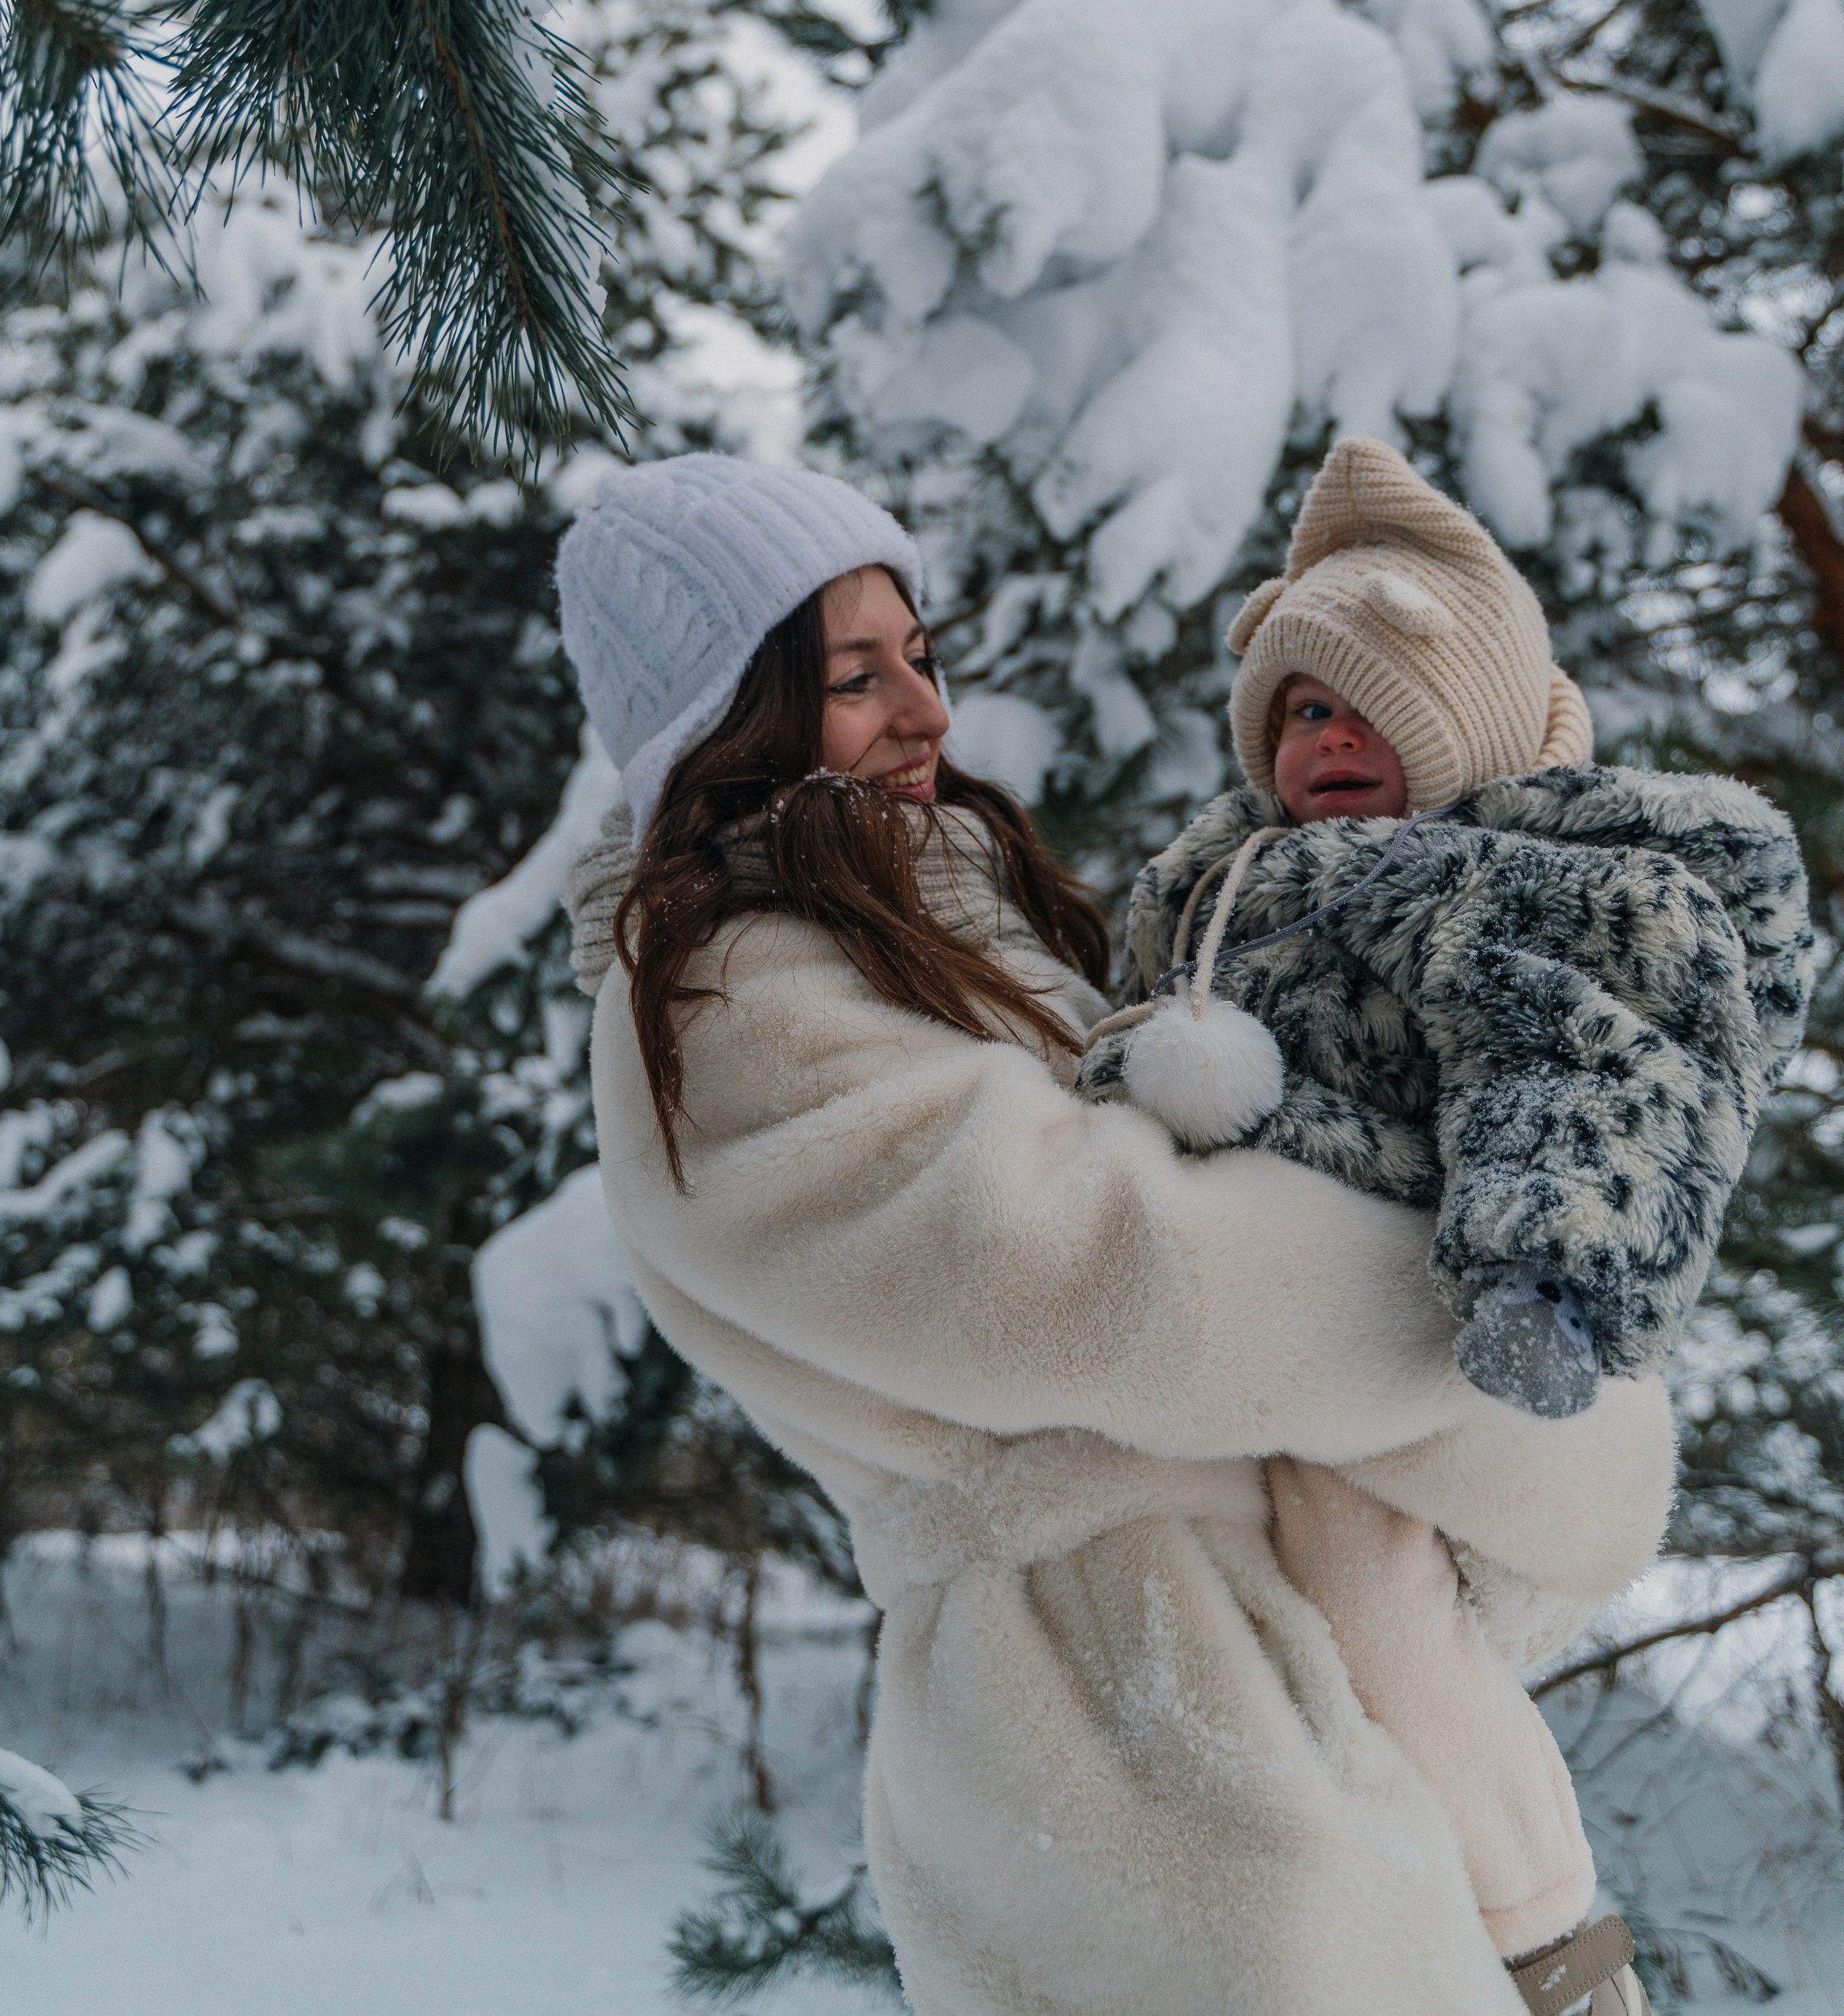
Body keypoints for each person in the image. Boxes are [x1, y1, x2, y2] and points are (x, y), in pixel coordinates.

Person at [556, 450, 1676, 2016]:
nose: (925, 710)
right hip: (1114, 1722)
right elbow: (1120, 1279)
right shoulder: (726, 993)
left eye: (919, 655)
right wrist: (1494, 1345)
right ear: (726, 718)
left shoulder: (958, 931)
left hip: (1262, 1680)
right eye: (851, 677)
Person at [1082, 434, 1813, 2002]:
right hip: (1239, 1335)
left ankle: (1549, 1944)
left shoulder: (1516, 880)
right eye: (1299, 710)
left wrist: (1541, 1270)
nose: (1325, 740)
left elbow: (1584, 1064)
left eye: (1365, 708)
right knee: (1222, 1654)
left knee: (1367, 1592)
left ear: (1463, 720)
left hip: (1436, 1328)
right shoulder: (1212, 878)